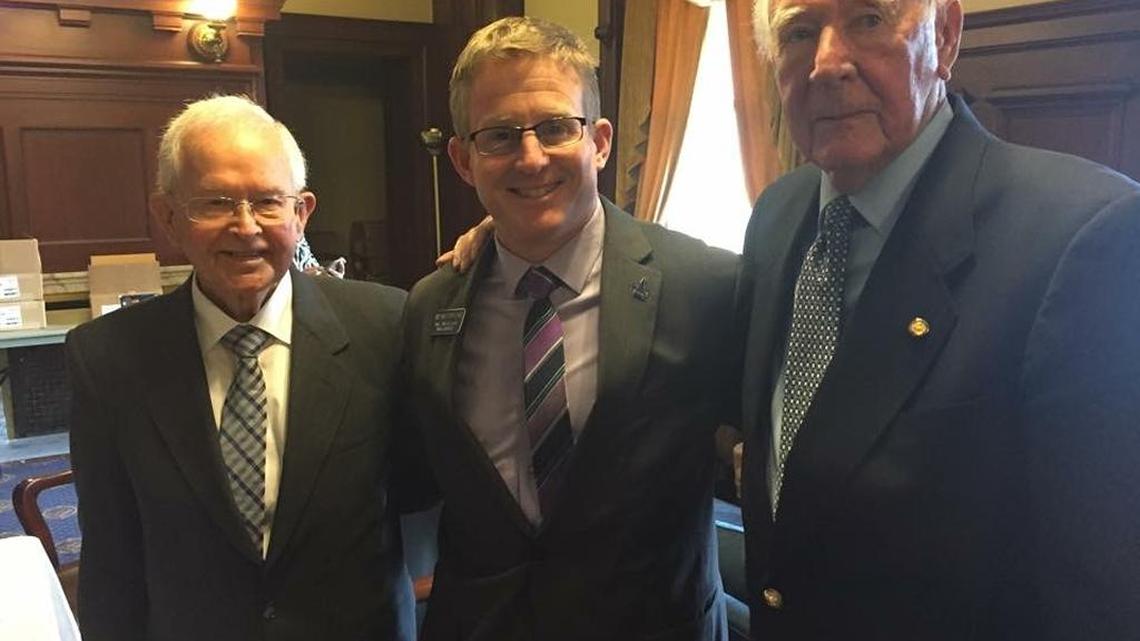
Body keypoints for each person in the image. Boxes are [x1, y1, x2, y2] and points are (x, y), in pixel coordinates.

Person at [739, 0, 1140, 639]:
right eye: (799, 32)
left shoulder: (1083, 237)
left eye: (868, 19)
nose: (827, 63)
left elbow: (1100, 595)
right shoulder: (777, 215)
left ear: (945, 36)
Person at [402, 17, 738, 641]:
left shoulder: (706, 285)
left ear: (601, 141)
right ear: (463, 159)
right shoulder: (429, 309)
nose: (531, 158)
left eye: (556, 127)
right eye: (499, 136)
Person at [66, 95, 423, 641]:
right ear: (168, 216)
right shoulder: (107, 358)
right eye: (214, 203)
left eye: (268, 202)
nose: (246, 226)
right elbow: (110, 559)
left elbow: (440, 486)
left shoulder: (388, 326)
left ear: (302, 213)